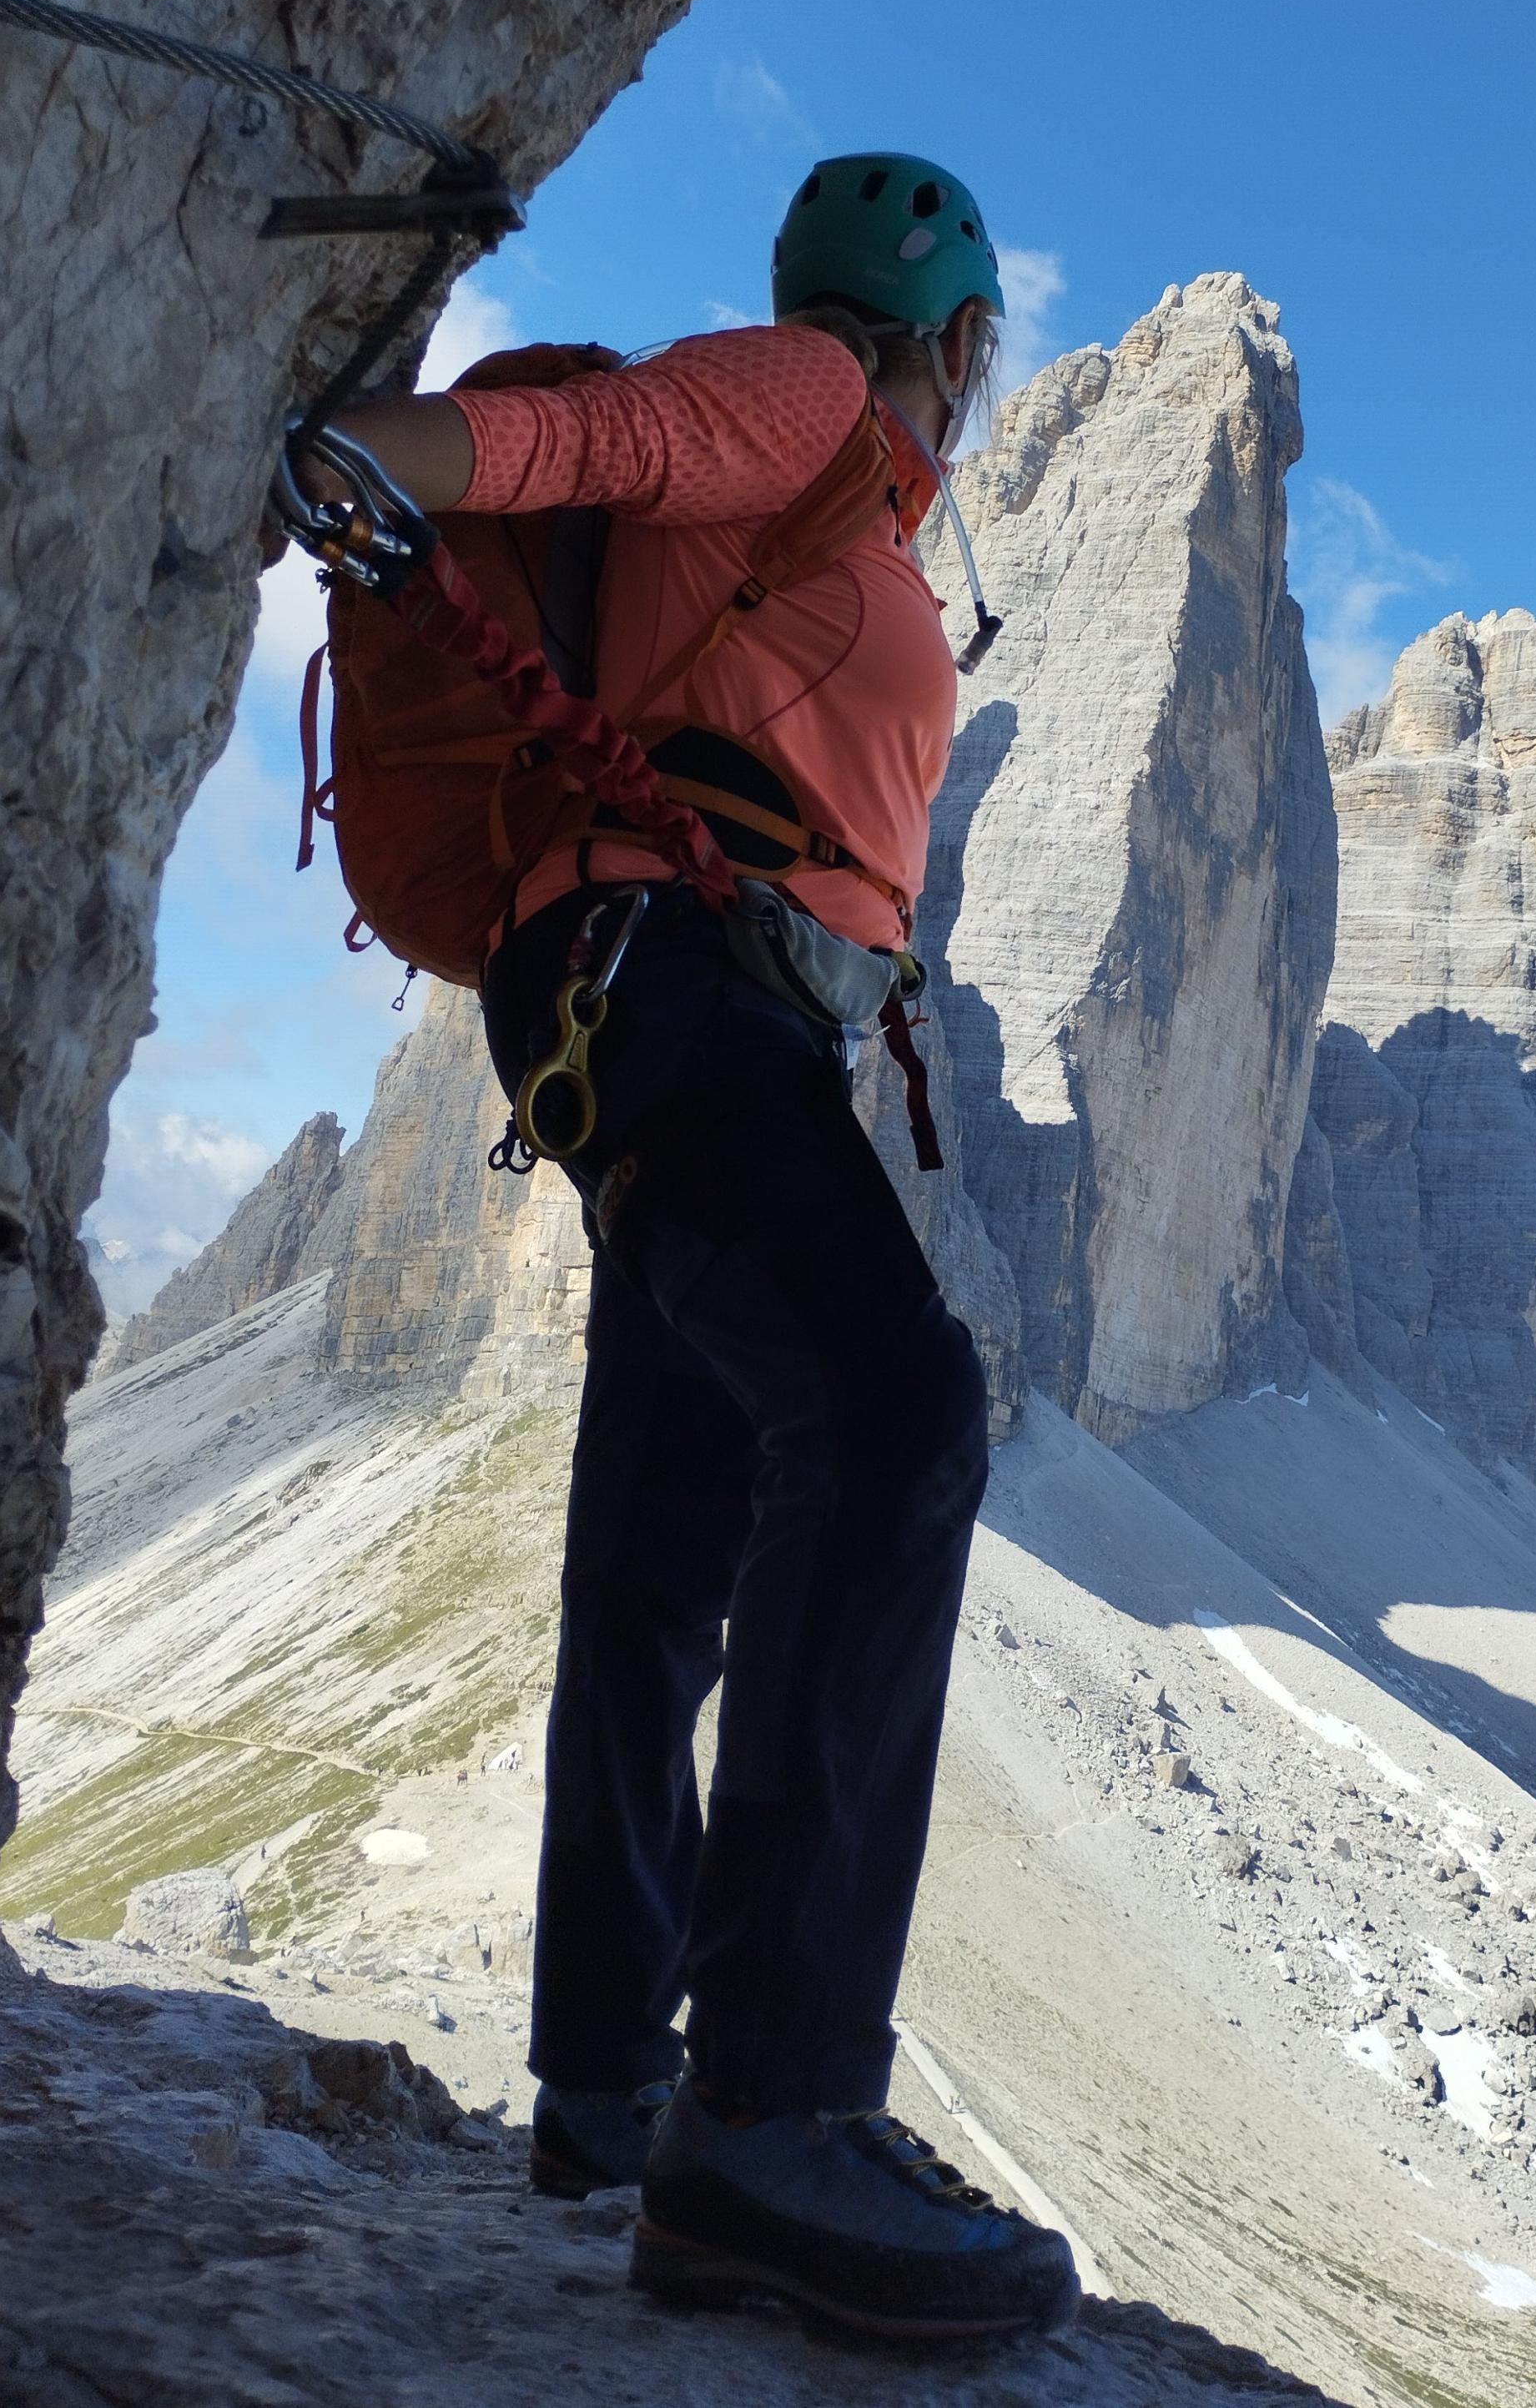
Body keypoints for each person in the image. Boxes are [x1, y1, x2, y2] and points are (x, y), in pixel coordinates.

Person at [296, 155, 1078, 2340]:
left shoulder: (843, 489)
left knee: (668, 1527)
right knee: (899, 1410)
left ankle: (602, 2084)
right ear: (958, 336)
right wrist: (389, 462)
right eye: (980, 349)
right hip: (681, 987)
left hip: (658, 995)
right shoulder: (810, 394)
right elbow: (606, 435)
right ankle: (771, 2126)